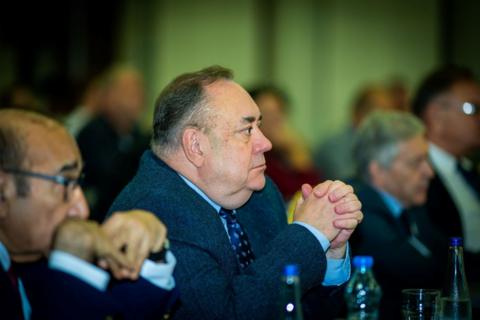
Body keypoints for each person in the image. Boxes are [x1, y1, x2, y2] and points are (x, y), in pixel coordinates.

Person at [110, 66, 363, 320]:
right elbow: (226, 314)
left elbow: (293, 310)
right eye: (247, 130)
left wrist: (328, 251)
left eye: (259, 126)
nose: (266, 143)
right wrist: (309, 235)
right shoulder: (155, 209)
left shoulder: (258, 195)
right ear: (196, 146)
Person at [0, 109, 178, 319]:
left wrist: (152, 251)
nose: (82, 209)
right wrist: (73, 266)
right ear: (3, 192)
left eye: (79, 182)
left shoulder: (29, 263)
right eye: (65, 182)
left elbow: (118, 310)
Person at [349, 110, 448, 319]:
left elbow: (448, 252)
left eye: (427, 160)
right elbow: (420, 274)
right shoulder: (359, 211)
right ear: (378, 171)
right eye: (416, 162)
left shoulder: (410, 204)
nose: (429, 172)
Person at [411, 65, 480, 275]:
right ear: (436, 115)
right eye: (473, 109)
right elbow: (432, 254)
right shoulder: (413, 174)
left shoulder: (469, 171)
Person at [76, 65, 150, 222]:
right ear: (108, 96)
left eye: (139, 92)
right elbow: (109, 181)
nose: (137, 98)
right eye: (128, 92)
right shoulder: (91, 133)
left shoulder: (142, 136)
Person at [248, 85, 322, 202]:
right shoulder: (250, 151)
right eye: (267, 113)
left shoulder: (288, 146)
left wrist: (295, 152)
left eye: (279, 112)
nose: (275, 119)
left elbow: (313, 189)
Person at [314, 84, 395, 180]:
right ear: (358, 111)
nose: (387, 123)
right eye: (382, 115)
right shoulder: (334, 144)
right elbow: (347, 180)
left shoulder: (381, 144)